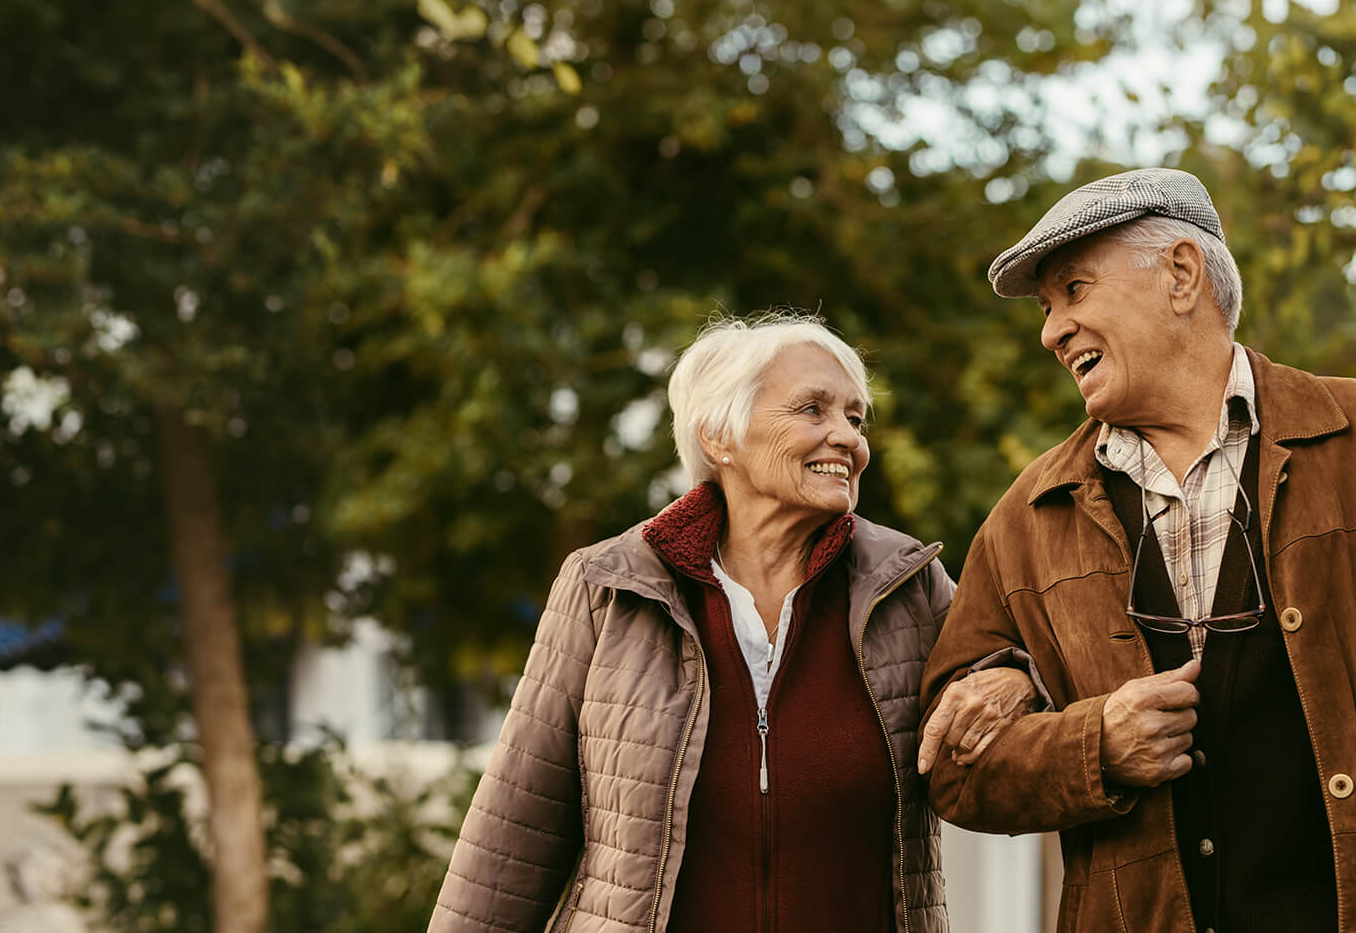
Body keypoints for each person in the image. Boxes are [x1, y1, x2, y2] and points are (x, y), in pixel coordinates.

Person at [917, 168, 1356, 932]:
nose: (1050, 331)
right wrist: (1092, 746)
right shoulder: (1026, 518)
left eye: (1074, 290)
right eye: (1046, 308)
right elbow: (950, 769)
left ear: (1181, 274)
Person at [431, 312, 1040, 933]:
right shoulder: (608, 586)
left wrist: (1021, 681)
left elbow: (1014, 701)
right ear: (720, 437)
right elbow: (515, 829)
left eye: (855, 419)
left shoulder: (908, 586)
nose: (848, 439)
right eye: (812, 410)